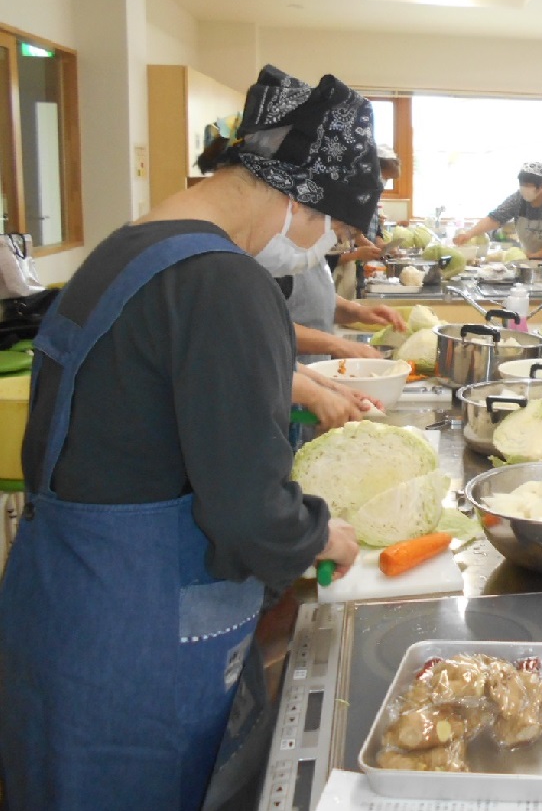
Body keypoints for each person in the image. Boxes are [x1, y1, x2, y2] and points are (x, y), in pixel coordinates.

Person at [0, 64, 366, 809]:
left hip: (60, 609)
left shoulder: (126, 249)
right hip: (138, 642)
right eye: (334, 230)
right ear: (300, 196)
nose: (324, 248)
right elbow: (249, 509)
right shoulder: (224, 281)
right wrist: (321, 538)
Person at [453, 161, 542, 259]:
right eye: (522, 185)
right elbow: (495, 218)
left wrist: (535, 257)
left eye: (530, 186)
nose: (525, 190)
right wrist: (469, 234)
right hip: (532, 262)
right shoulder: (518, 198)